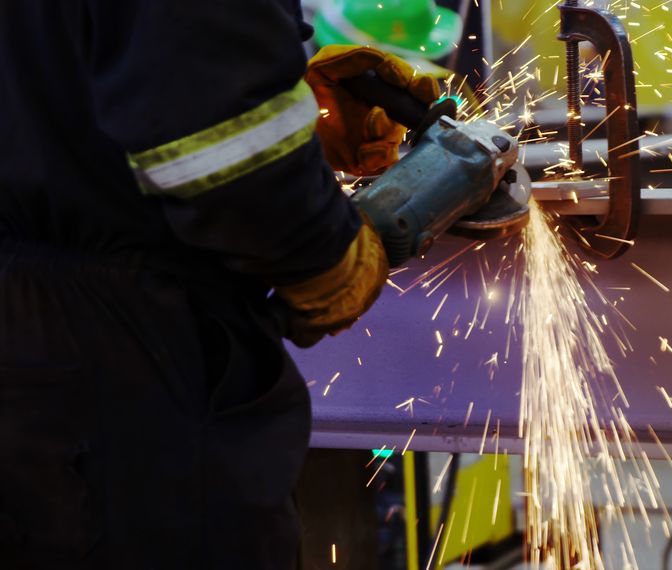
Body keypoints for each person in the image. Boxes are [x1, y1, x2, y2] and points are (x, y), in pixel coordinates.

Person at [0, 1, 451, 567]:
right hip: (123, 362)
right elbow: (205, 99)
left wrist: (290, 114)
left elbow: (78, 89)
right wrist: (321, 248)